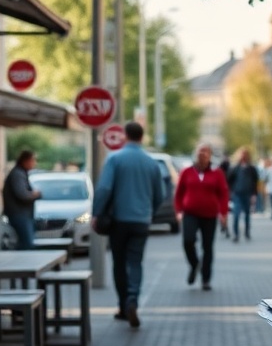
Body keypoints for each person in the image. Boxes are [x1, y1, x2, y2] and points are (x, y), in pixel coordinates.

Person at [91, 121, 163, 329]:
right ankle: (133, 299)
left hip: (119, 221)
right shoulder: (151, 163)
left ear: (125, 136)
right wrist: (149, 212)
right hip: (141, 221)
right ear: (142, 137)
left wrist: (97, 213)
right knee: (135, 262)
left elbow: (104, 188)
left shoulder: (115, 159)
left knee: (119, 263)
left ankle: (123, 306)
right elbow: (160, 195)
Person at [174, 142, 229, 291]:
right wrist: (178, 211)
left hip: (209, 215)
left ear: (210, 155)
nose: (201, 154)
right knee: (188, 241)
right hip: (190, 213)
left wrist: (223, 213)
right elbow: (179, 193)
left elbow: (223, 194)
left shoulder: (217, 173)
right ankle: (194, 265)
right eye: (199, 151)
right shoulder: (187, 172)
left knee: (207, 247)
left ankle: (206, 279)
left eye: (205, 152)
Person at [2, 149, 42, 250]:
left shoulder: (20, 173)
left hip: (22, 214)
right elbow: (22, 194)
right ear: (26, 161)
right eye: (33, 160)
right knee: (26, 244)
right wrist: (35, 194)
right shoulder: (18, 174)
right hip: (19, 214)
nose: (34, 163)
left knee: (25, 243)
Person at [227, 147, 259, 242]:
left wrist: (254, 194)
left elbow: (255, 182)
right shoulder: (235, 168)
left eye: (245, 154)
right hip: (237, 194)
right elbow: (229, 180)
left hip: (248, 194)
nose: (243, 157)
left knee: (247, 215)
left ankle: (247, 232)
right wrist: (231, 191)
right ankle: (236, 234)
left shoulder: (251, 168)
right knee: (236, 215)